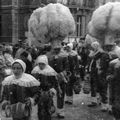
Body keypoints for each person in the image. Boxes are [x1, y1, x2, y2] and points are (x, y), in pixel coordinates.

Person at [32, 55, 61, 120]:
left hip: (48, 92)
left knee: (48, 108)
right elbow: (33, 81)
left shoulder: (50, 71)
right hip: (39, 93)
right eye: (39, 64)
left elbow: (55, 82)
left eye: (42, 64)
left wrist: (55, 90)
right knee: (40, 108)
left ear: (46, 63)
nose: (41, 66)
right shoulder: (35, 70)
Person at [47, 43, 68, 118]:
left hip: (61, 78)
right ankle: (50, 109)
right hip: (51, 78)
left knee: (61, 94)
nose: (56, 50)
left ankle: (60, 111)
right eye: (55, 48)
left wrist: (62, 74)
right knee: (49, 94)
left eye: (58, 49)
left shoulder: (64, 56)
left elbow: (66, 67)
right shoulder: (48, 56)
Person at [87, 41, 110, 111]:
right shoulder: (94, 54)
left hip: (101, 74)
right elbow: (91, 63)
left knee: (102, 88)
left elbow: (105, 66)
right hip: (94, 73)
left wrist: (101, 70)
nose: (93, 48)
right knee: (94, 87)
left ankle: (104, 105)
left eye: (94, 46)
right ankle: (94, 101)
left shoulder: (103, 54)